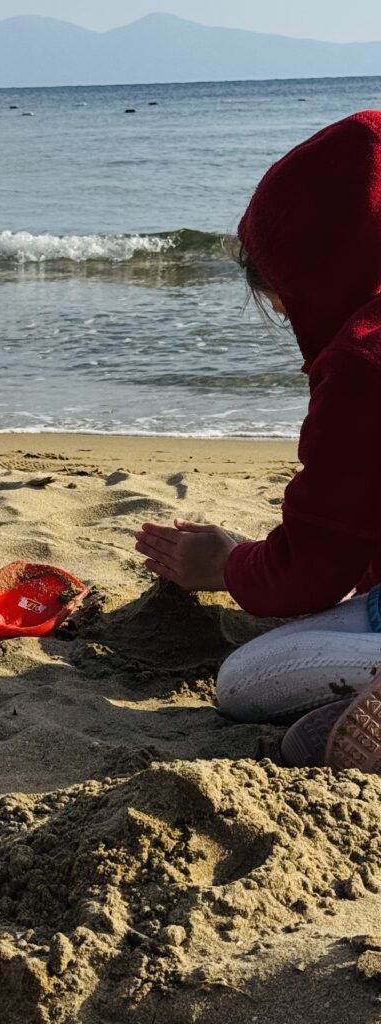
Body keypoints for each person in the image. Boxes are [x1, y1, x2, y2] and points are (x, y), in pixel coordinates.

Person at [134, 110, 381, 773]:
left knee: (245, 680)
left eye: (285, 300)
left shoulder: (364, 360)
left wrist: (228, 565)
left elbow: (314, 567)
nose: (283, 313)